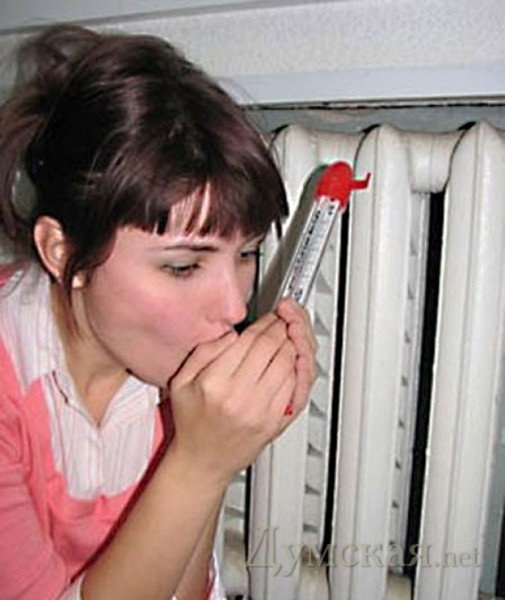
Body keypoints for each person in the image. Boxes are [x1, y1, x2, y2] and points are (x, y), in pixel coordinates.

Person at [0, 23, 317, 600]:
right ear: (61, 252)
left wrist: (205, 453)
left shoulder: (159, 360)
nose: (234, 308)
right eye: (183, 267)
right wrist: (200, 462)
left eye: (246, 254)